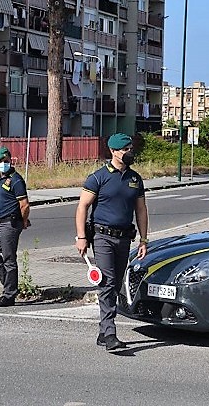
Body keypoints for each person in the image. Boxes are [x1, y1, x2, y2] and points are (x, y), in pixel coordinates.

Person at [75, 133, 149, 351]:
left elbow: (141, 210)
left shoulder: (135, 179)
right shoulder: (98, 177)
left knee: (116, 285)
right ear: (114, 152)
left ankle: (102, 331)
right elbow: (82, 207)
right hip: (102, 238)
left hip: (124, 238)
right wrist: (81, 237)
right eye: (125, 149)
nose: (129, 152)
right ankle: (109, 334)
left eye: (130, 148)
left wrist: (144, 239)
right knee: (107, 283)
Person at [0, 146, 30, 307]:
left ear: (10, 161)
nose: (2, 164)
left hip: (10, 224)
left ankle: (9, 294)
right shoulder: (1, 178)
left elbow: (24, 205)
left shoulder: (16, 180)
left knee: (9, 259)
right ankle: (10, 285)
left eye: (5, 161)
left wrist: (24, 221)